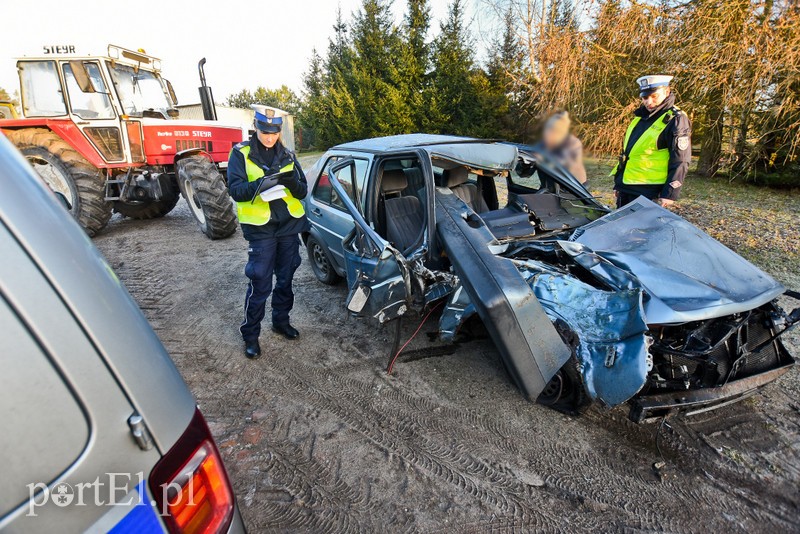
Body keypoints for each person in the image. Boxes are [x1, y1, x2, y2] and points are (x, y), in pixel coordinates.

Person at [227, 105, 309, 359]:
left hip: (288, 225)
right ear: (256, 127)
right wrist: (260, 186)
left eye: (274, 132)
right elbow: (236, 190)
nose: (269, 137)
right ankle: (250, 335)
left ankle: (280, 322)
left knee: (285, 279)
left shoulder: (288, 154)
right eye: (264, 131)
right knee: (261, 281)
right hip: (260, 228)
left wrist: (290, 182)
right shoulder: (241, 153)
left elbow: (303, 190)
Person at [611, 74, 692, 208]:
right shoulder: (639, 117)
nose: (649, 102)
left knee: (643, 228)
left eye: (654, 96)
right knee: (622, 227)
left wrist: (670, 193)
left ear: (666, 92)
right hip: (627, 186)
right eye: (645, 97)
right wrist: (619, 184)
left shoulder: (675, 119)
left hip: (650, 190)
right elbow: (629, 153)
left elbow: (681, 159)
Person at [541, 111, 587, 184]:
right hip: (550, 189)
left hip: (574, 188)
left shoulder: (573, 143)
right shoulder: (544, 143)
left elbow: (563, 163)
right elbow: (524, 173)